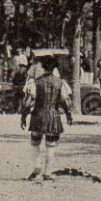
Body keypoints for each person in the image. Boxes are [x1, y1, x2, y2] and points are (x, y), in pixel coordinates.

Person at [20, 53, 73, 181]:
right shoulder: (60, 83)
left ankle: (37, 166)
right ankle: (47, 172)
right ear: (55, 68)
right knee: (51, 144)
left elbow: (28, 101)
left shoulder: (36, 83)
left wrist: (23, 116)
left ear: (43, 67)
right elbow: (65, 101)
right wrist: (68, 115)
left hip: (38, 115)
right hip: (53, 116)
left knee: (35, 141)